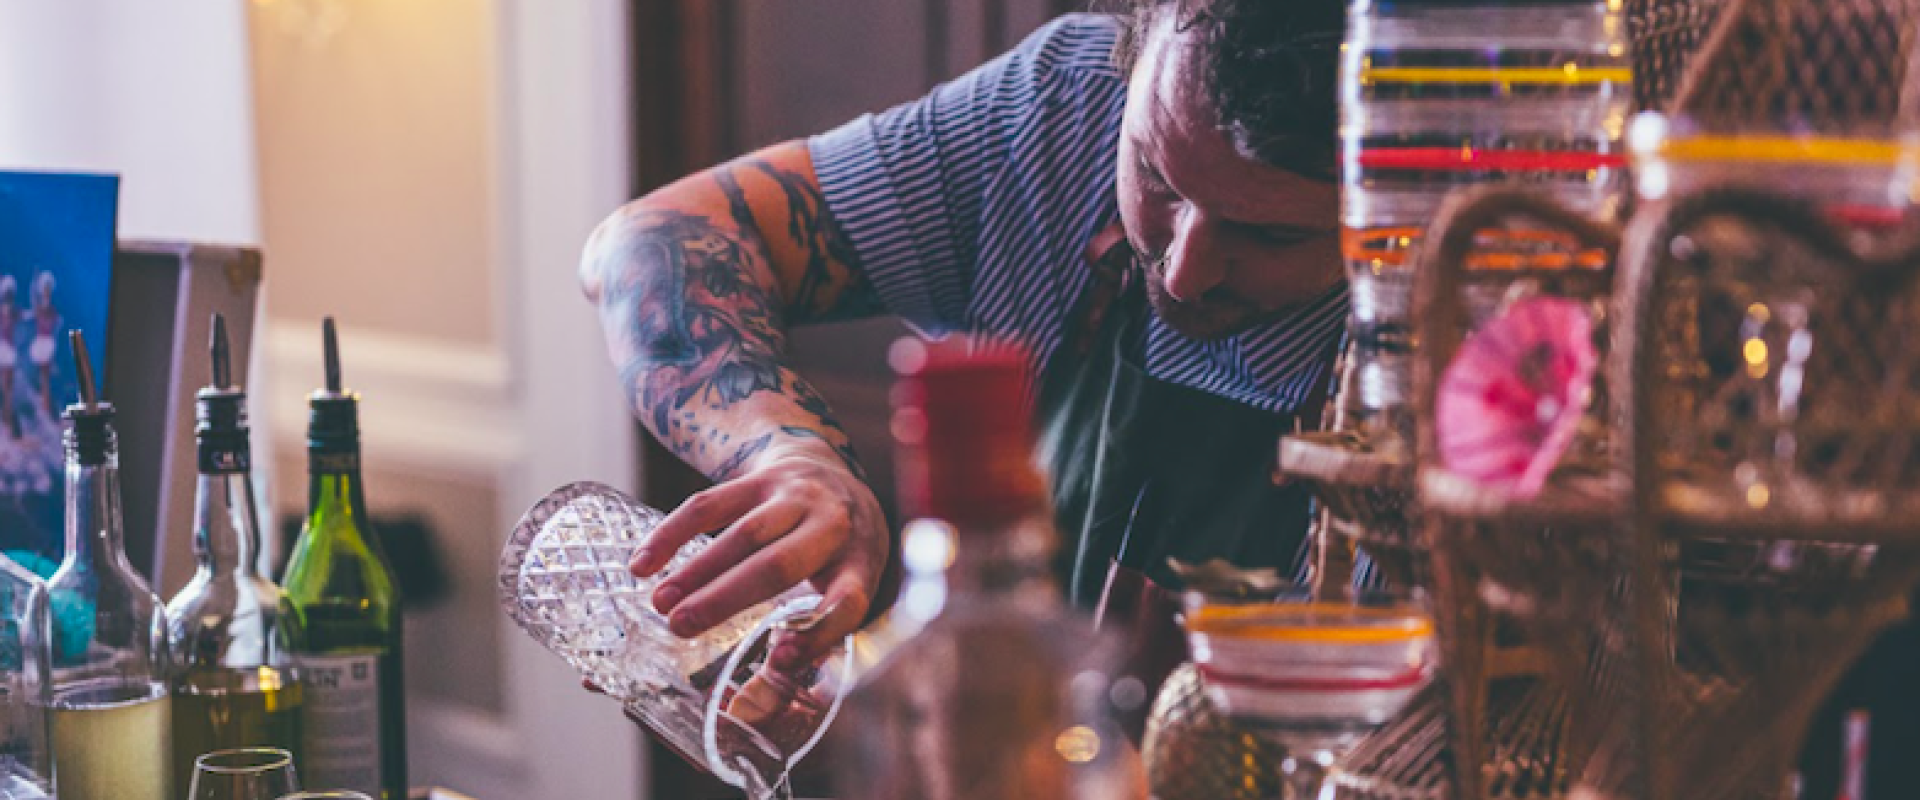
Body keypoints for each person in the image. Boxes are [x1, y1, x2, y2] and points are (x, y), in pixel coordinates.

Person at [581, 0, 1346, 676]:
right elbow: (649, 239)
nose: (1183, 272)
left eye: (1271, 235)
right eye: (1154, 175)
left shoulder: (1423, 336)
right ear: (1135, 54)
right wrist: (792, 457)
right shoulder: (1061, 110)